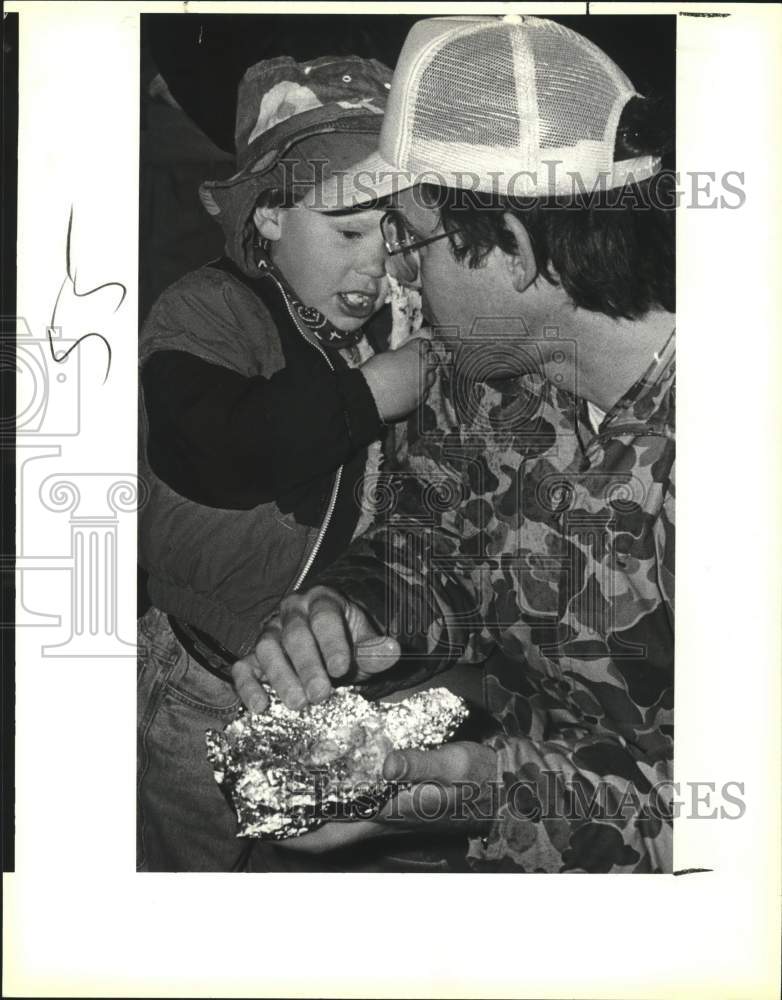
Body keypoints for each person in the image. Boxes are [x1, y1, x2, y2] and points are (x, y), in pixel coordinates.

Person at [232, 15, 676, 873]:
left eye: (410, 237)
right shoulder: (475, 376)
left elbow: (729, 824)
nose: (394, 273)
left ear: (511, 249)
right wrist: (345, 608)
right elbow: (427, 541)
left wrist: (474, 789)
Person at [137, 53, 433, 872]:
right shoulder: (207, 309)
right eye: (347, 230)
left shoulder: (380, 328)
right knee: (200, 873)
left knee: (299, 869)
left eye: (392, 233)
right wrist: (376, 392)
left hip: (319, 686)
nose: (374, 265)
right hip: (206, 682)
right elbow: (213, 453)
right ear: (268, 217)